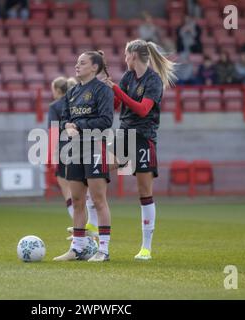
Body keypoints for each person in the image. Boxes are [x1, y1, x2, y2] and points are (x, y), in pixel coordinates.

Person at [102, 39, 176, 260]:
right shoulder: (127, 77)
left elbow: (143, 110)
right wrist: (105, 91)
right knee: (96, 170)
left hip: (144, 137)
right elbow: (117, 105)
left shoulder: (153, 80)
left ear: (133, 55)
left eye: (126, 55)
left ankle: (146, 247)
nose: (124, 59)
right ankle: (92, 231)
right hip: (124, 134)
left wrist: (116, 89)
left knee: (144, 192)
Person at [53, 51, 114, 262]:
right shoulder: (71, 93)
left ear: (94, 67)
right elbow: (64, 120)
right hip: (74, 149)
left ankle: (103, 251)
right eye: (77, 62)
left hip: (95, 147)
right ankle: (76, 248)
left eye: (82, 62)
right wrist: (67, 126)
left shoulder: (102, 90)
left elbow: (106, 120)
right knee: (77, 199)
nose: (76, 66)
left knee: (98, 200)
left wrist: (78, 126)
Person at [47, 76, 100, 239]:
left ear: (57, 90)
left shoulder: (55, 106)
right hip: (86, 146)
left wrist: (51, 157)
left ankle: (80, 229)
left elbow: (54, 131)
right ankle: (90, 225)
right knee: (88, 190)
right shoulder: (77, 101)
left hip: (65, 149)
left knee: (69, 192)